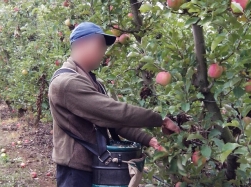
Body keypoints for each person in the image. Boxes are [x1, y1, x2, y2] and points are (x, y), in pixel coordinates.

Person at [48, 22, 180, 187]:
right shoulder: (67, 83)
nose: (103, 52)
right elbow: (117, 113)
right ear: (81, 44)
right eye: (99, 46)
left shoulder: (93, 81)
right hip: (75, 170)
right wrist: (159, 119)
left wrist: (149, 140)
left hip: (96, 164)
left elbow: (112, 122)